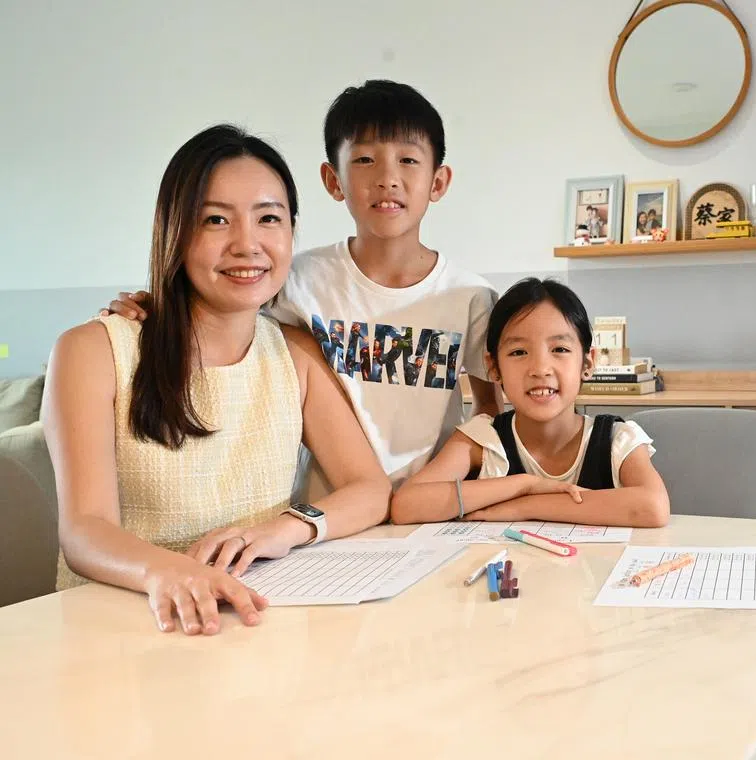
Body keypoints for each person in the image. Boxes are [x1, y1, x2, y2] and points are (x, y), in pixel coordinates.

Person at [43, 125, 391, 636]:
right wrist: (170, 571)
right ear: (175, 231)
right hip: (124, 626)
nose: (246, 244)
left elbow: (370, 489)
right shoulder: (94, 351)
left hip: (249, 623)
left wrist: (287, 529)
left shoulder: (294, 354)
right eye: (215, 220)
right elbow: (83, 531)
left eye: (269, 218)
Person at [102, 80, 503, 492]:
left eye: (408, 160)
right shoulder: (294, 279)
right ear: (333, 180)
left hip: (427, 512)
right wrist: (153, 307)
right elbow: (219, 316)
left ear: (438, 182)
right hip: (326, 509)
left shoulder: (470, 297)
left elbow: (489, 413)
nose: (388, 178)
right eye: (365, 159)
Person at [390, 278, 670, 528]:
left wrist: (526, 506)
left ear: (587, 362)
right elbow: (407, 506)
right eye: (519, 351)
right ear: (493, 366)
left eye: (559, 349)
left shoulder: (616, 439)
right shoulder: (483, 439)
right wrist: (525, 485)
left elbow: (653, 508)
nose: (540, 368)